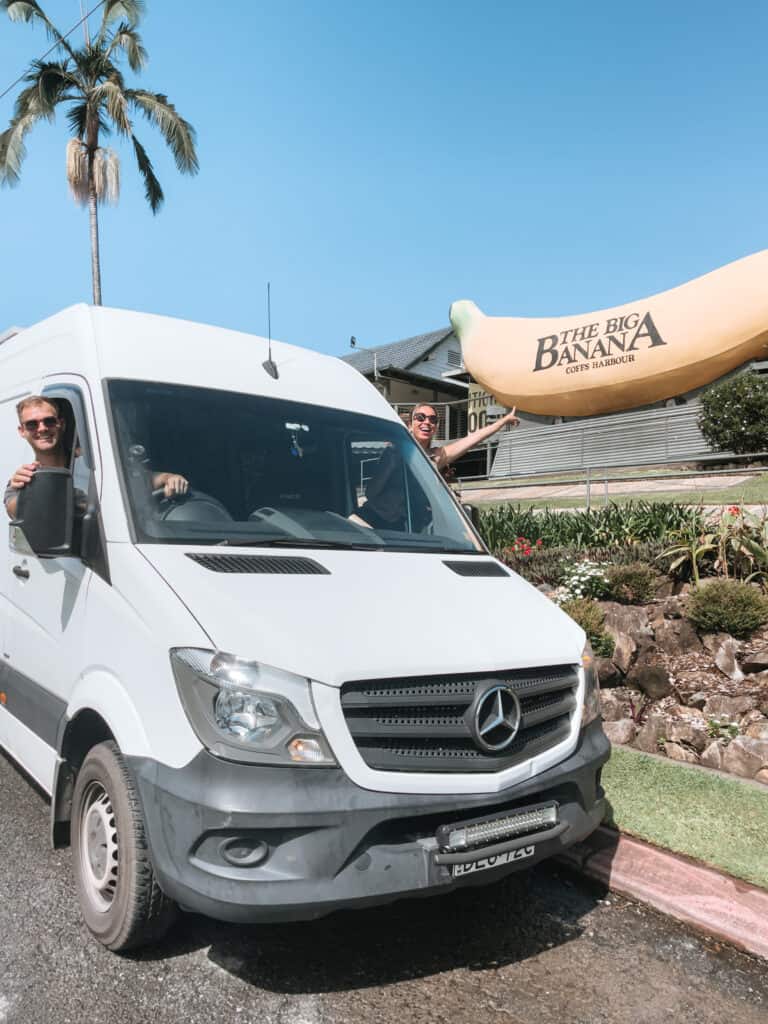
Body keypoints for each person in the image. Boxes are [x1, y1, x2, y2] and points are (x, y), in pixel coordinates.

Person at [4, 395, 189, 519]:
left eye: (49, 421)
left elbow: (138, 480)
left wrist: (167, 477)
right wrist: (33, 491)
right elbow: (15, 511)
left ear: (61, 424)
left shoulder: (90, 461)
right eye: (32, 425)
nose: (42, 428)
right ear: (22, 431)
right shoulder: (23, 479)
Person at [408, 402, 520, 478]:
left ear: (436, 427)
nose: (427, 422)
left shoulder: (437, 456)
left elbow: (474, 438)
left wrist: (504, 421)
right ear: (410, 425)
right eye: (420, 417)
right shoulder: (396, 448)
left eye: (433, 419)